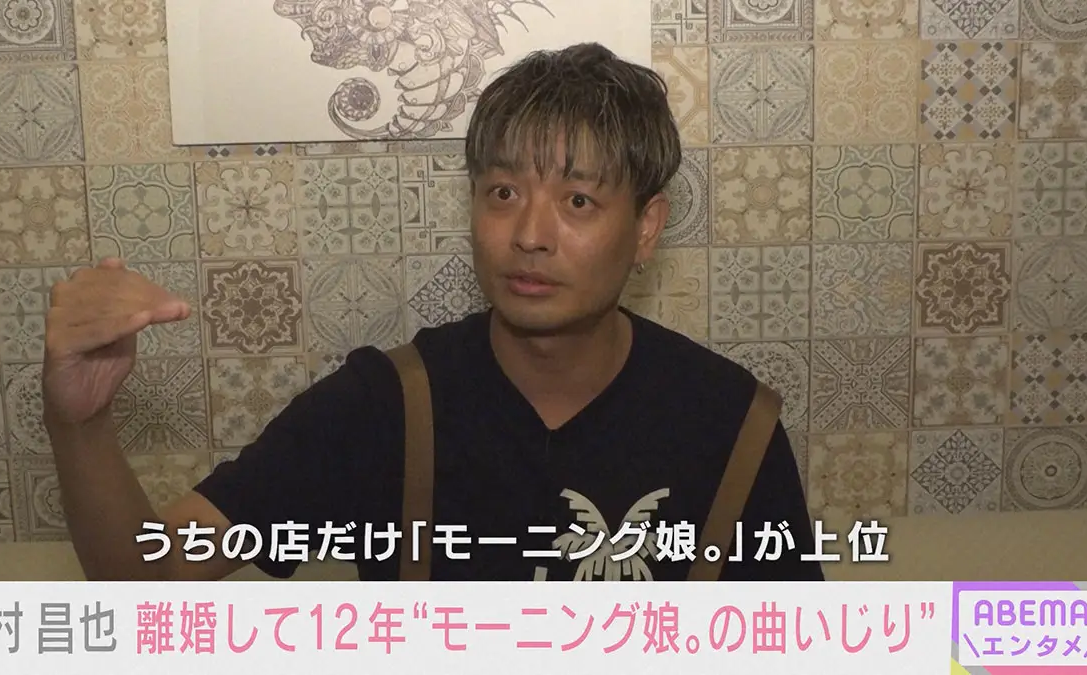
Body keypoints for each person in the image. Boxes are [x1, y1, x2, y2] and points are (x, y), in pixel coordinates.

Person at [42, 42, 824, 583]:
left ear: (646, 227)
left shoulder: (732, 423)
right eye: (503, 192)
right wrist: (80, 425)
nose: (529, 234)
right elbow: (149, 575)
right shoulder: (385, 405)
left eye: (578, 201)